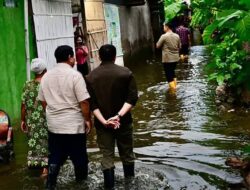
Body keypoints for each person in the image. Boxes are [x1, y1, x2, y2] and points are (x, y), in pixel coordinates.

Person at [38, 45, 92, 190]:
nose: (74, 59)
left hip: (54, 126)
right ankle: (81, 185)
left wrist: (52, 114)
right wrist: (87, 120)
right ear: (69, 57)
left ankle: (50, 184)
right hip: (73, 126)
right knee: (79, 158)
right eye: (73, 56)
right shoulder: (75, 76)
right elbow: (84, 101)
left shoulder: (46, 76)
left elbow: (43, 101)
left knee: (55, 155)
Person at [86, 44, 138, 189]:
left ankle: (109, 187)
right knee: (127, 155)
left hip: (103, 126)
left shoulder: (91, 77)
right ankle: (130, 185)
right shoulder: (126, 73)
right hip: (124, 122)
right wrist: (118, 116)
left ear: (99, 56)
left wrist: (104, 121)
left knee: (107, 157)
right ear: (115, 56)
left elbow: (92, 104)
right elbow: (132, 99)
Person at [20, 58, 48, 177]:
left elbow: (23, 105)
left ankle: (34, 163)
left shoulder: (27, 85)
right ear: (45, 70)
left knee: (34, 142)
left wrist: (23, 120)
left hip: (32, 120)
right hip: (47, 119)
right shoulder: (47, 84)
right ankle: (45, 168)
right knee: (46, 142)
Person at [156, 22, 181, 92]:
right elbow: (180, 46)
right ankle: (175, 85)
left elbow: (157, 46)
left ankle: (173, 91)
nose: (163, 28)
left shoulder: (164, 36)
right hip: (175, 58)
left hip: (167, 59)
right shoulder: (177, 36)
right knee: (172, 72)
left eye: (164, 26)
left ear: (167, 27)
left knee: (168, 75)